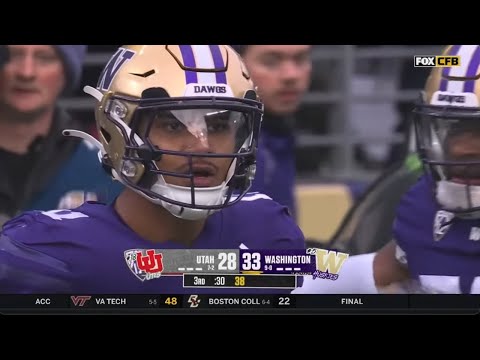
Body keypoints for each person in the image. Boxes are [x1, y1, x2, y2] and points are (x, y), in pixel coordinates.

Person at [0, 45, 305, 294]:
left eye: (219, 123)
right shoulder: (42, 251)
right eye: (174, 124)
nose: (202, 146)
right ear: (117, 130)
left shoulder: (269, 231)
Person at [293, 44, 480, 295]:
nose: (460, 150)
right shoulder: (425, 207)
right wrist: (252, 266)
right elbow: (363, 269)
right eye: (453, 128)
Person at [0, 45, 123, 226]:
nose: (26, 72)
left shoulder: (104, 169)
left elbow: (133, 252)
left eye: (45, 58)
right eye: (15, 55)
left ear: (66, 71)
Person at [232, 45, 312, 217]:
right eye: (271, 62)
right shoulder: (227, 148)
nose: (291, 75)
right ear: (233, 63)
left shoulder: (279, 133)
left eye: (300, 59)